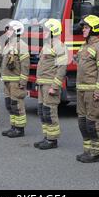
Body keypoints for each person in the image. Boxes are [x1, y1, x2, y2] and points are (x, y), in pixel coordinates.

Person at [75, 15, 99, 163]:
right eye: (83, 27)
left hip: (92, 91)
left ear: (94, 29)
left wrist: (98, 91)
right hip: (81, 90)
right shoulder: (84, 46)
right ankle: (88, 150)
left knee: (93, 122)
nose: (83, 30)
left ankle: (97, 153)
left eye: (86, 27)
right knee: (83, 122)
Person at [34, 19, 68, 150]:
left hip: (50, 84)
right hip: (43, 83)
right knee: (42, 111)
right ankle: (47, 136)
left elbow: (61, 68)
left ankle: (52, 140)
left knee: (49, 111)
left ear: (54, 31)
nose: (44, 32)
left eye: (47, 30)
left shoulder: (59, 46)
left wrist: (55, 86)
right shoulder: (47, 45)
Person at [0, 20, 30, 138]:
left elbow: (25, 65)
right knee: (10, 104)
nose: (7, 31)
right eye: (7, 29)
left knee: (17, 104)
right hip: (8, 80)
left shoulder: (21, 45)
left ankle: (19, 129)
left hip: (16, 81)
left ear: (17, 31)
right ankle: (13, 126)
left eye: (10, 29)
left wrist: (23, 81)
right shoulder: (8, 44)